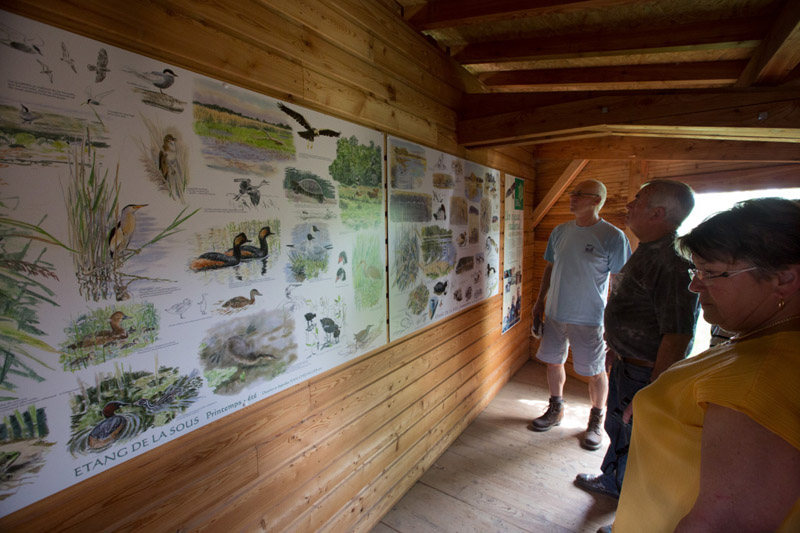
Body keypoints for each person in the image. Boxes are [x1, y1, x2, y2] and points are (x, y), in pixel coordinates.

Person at [613, 198, 800, 531]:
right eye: (695, 270)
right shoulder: (762, 338)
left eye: (710, 273)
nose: (694, 285)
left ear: (783, 279)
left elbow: (721, 523)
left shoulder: (759, 382)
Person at [575, 179, 699, 500]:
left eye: (638, 200)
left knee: (636, 436)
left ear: (658, 213)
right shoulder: (649, 250)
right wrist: (617, 349)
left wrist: (656, 390)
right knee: (619, 428)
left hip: (645, 373)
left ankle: (629, 503)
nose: (629, 205)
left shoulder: (672, 263)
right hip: (629, 365)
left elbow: (678, 333)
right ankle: (614, 482)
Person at [530, 179, 631, 450]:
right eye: (571, 193)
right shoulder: (560, 231)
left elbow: (620, 282)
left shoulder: (612, 236)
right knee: (553, 362)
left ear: (596, 200)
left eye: (579, 194)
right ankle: (556, 409)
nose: (572, 198)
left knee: (596, 371)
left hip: (589, 317)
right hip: (555, 313)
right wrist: (539, 302)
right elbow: (550, 268)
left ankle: (596, 420)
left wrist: (614, 321)